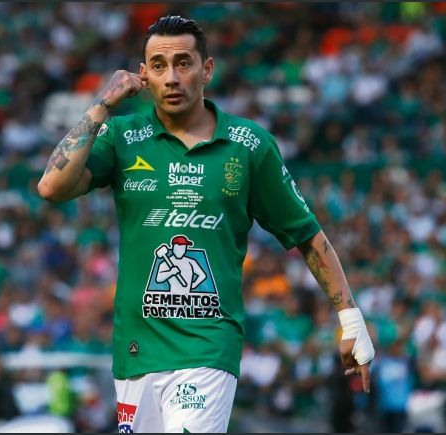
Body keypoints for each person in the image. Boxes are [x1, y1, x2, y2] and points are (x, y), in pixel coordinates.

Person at [38, 15, 375, 433]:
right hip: (136, 351)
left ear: (207, 69)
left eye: (184, 63)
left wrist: (350, 318)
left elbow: (307, 235)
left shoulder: (249, 146)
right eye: (158, 66)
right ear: (144, 75)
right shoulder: (122, 136)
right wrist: (102, 104)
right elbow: (51, 186)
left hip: (208, 348)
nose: (172, 77)